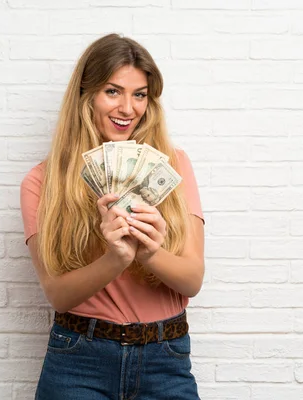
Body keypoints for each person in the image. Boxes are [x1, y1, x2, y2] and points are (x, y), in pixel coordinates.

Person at [20, 33, 205, 400]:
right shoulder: (42, 182)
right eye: (113, 91)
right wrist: (115, 258)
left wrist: (149, 254)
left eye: (140, 94)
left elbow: (192, 281)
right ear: (85, 96)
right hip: (78, 359)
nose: (128, 108)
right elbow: (58, 294)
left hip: (164, 356)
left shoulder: (174, 165)